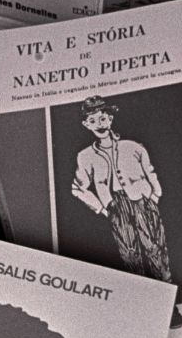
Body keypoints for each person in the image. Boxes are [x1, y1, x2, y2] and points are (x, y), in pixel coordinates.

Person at [70, 96, 174, 286]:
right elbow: (78, 188)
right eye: (92, 120)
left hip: (142, 200)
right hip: (116, 206)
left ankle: (165, 286)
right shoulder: (85, 156)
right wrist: (103, 208)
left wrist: (154, 196)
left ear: (110, 119)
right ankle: (140, 291)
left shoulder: (133, 147)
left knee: (154, 246)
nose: (99, 124)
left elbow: (150, 172)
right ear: (86, 124)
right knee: (129, 253)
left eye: (103, 118)